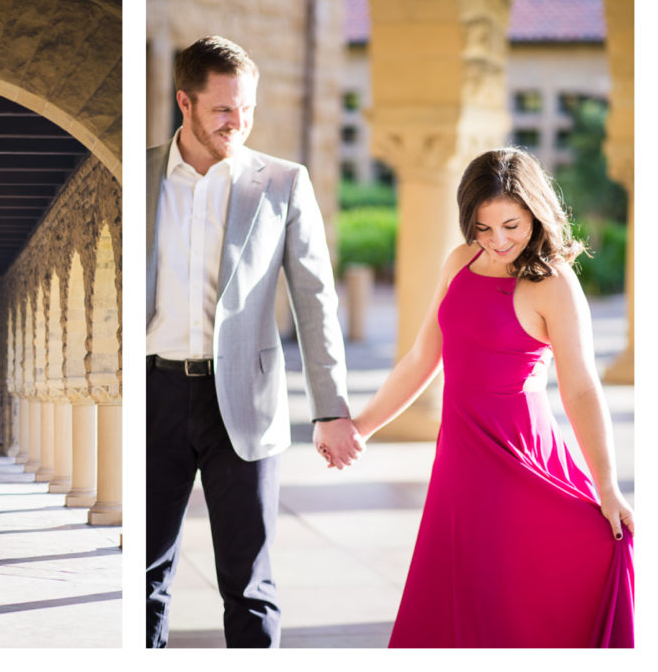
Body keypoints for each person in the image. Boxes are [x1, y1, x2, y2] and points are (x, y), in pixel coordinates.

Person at [342, 148, 634, 647]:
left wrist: (607, 485)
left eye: (511, 226)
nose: (497, 241)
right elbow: (421, 359)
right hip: (459, 459)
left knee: (509, 589)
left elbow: (581, 385)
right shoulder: (460, 262)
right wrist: (361, 426)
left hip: (518, 458)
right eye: (483, 227)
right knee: (459, 589)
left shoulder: (554, 283)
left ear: (536, 214)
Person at [145, 35, 364, 648]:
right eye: (222, 110)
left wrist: (331, 408)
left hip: (243, 396)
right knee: (145, 578)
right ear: (184, 102)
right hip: (152, 393)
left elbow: (315, 298)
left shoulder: (283, 183)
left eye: (247, 110)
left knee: (249, 584)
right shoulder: (139, 176)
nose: (237, 124)